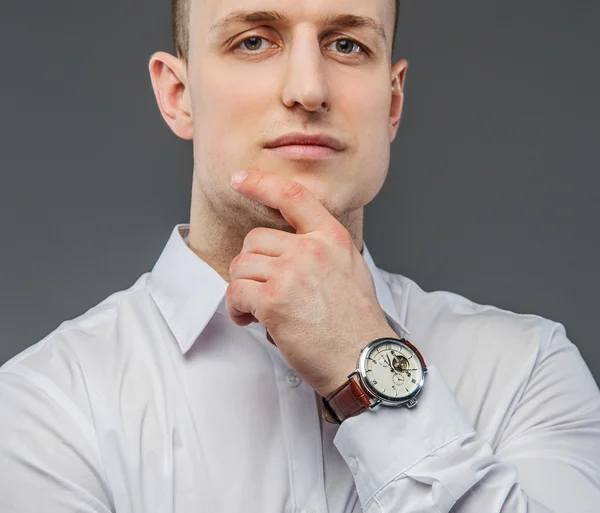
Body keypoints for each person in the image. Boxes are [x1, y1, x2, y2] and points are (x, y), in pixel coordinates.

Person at [1, 0, 599, 511]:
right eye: (254, 40)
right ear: (179, 95)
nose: (309, 89)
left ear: (391, 104)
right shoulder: (43, 406)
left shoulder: (528, 371)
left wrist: (362, 367)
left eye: (346, 45)